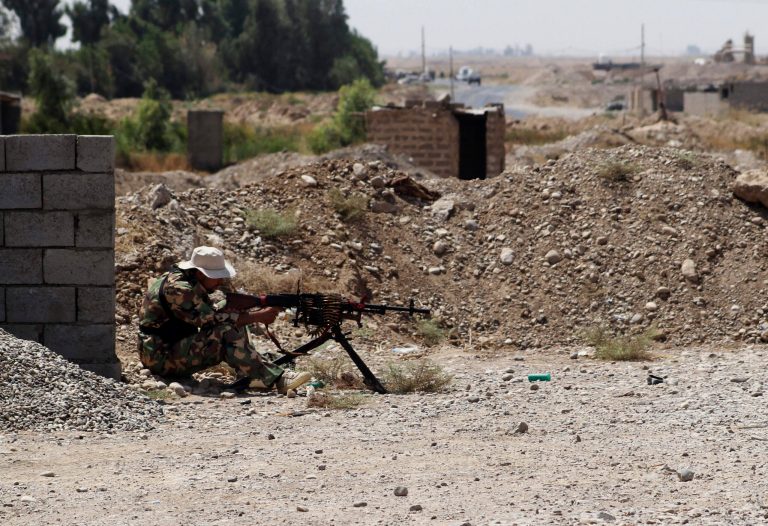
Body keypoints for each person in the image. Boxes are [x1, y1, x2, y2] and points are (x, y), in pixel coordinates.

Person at [138, 246, 311, 393]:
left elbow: (209, 313)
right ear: (200, 273)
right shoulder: (179, 289)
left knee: (232, 316)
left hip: (170, 347)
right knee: (226, 330)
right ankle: (276, 379)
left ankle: (251, 372)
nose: (220, 281)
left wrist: (249, 307)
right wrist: (259, 316)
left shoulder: (186, 279)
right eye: (216, 276)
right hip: (160, 357)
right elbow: (211, 321)